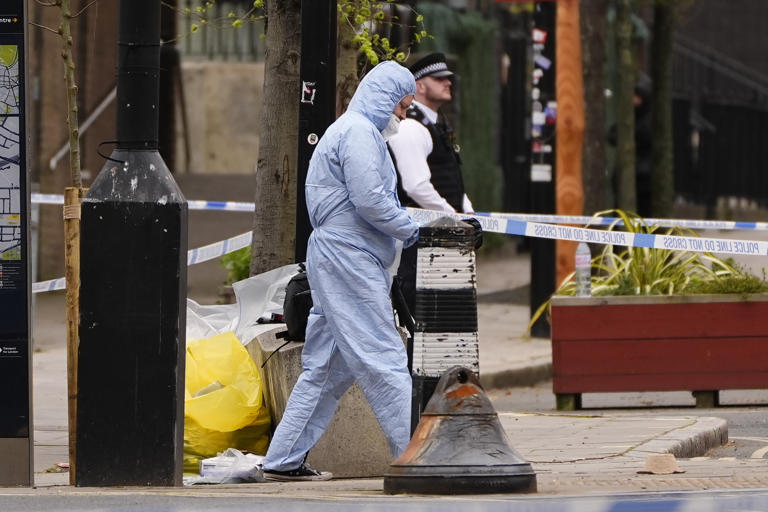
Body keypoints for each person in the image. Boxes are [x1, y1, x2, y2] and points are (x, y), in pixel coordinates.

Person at [261, 61, 420, 482]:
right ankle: (419, 458)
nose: (404, 116)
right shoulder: (359, 134)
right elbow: (370, 200)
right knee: (383, 357)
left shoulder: (353, 132)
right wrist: (412, 228)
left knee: (326, 369)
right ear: (385, 98)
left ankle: (283, 459)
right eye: (403, 106)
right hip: (350, 259)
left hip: (341, 258)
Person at [387, 52, 475, 313]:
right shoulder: (411, 126)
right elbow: (416, 186)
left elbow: (451, 176)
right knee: (425, 315)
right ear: (419, 86)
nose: (448, 83)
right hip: (420, 240)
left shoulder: (437, 123)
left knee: (447, 316)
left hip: (440, 233)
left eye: (448, 78)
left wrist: (465, 211)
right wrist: (455, 218)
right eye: (438, 79)